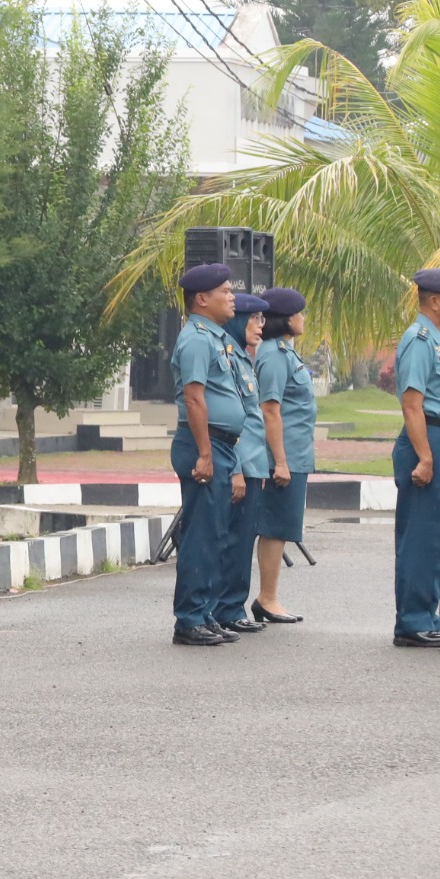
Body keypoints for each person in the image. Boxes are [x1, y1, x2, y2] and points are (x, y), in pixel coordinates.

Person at [168, 264, 249, 646]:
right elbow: (194, 396)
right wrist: (204, 453)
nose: (232, 297)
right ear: (202, 298)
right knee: (201, 535)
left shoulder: (215, 338)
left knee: (215, 534)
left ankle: (204, 612)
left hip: (219, 444)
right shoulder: (198, 339)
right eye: (225, 291)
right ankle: (189, 619)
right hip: (204, 444)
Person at [251, 286, 316, 624]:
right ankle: (267, 597)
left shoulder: (285, 352)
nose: (303, 318)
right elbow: (270, 410)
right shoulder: (275, 355)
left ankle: (270, 596)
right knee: (275, 526)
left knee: (281, 525)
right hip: (284, 455)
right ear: (288, 319)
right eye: (300, 313)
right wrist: (280, 460)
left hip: (296, 452)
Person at [211, 293, 273, 637]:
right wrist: (237, 468)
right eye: (254, 319)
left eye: (263, 320)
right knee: (230, 541)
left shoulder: (244, 359)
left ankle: (232, 606)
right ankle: (225, 607)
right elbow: (230, 422)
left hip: (252, 465)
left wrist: (258, 468)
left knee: (242, 540)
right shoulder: (229, 358)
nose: (260, 326)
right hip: (239, 464)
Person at [391, 269, 440, 646]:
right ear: (436, 301)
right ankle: (412, 621)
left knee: (434, 536)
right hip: (427, 437)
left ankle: (426, 613)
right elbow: (412, 404)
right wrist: (424, 457)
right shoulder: (420, 339)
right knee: (421, 535)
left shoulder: (436, 339)